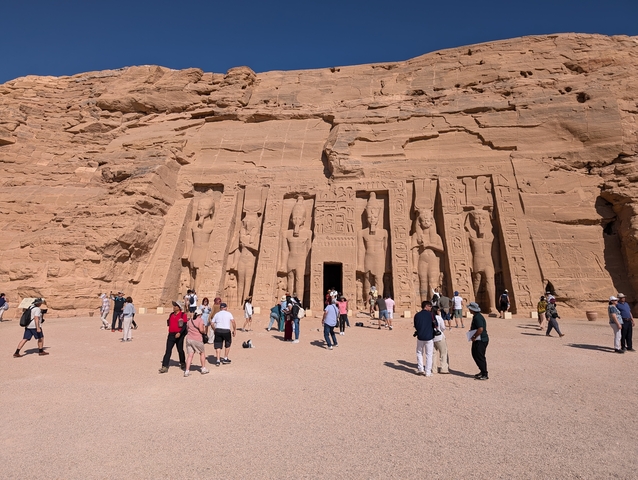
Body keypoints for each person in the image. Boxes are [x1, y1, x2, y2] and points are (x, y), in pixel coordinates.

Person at [159, 301, 188, 373]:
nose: (174, 307)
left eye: (176, 306)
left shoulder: (183, 315)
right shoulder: (171, 314)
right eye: (174, 306)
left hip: (179, 335)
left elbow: (184, 326)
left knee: (180, 350)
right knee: (168, 350)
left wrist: (179, 333)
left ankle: (182, 362)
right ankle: (165, 366)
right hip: (171, 335)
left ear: (179, 307)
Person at [413, 301, 435, 376]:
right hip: (429, 336)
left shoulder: (417, 315)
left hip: (420, 336)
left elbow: (415, 325)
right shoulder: (431, 315)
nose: (431, 307)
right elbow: (435, 325)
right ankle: (428, 372)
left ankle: (420, 369)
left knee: (419, 352)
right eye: (430, 306)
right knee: (429, 354)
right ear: (426, 306)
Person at [468, 302, 489, 380]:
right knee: (475, 354)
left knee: (480, 356)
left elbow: (480, 329)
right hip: (478, 339)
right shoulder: (476, 316)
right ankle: (482, 371)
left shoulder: (478, 317)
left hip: (481, 339)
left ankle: (485, 374)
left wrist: (474, 336)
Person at [184, 312, 209, 377]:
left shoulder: (190, 320)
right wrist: (204, 332)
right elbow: (201, 330)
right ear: (200, 314)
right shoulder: (200, 320)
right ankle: (203, 368)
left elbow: (187, 329)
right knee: (202, 353)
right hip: (197, 339)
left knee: (190, 355)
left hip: (189, 339)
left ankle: (187, 371)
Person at [432, 307, 449, 374]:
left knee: (433, 354)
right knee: (443, 353)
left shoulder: (430, 317)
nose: (439, 311)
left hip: (432, 337)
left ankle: (434, 369)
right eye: (439, 310)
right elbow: (443, 327)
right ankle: (443, 369)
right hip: (439, 336)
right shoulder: (439, 318)